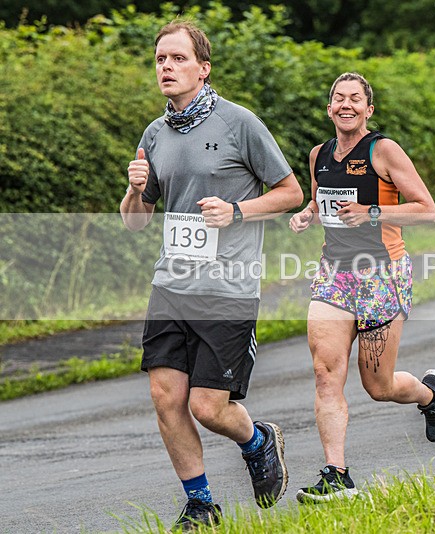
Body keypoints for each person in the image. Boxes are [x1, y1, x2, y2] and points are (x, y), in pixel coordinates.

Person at [119, 21, 303, 529]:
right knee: (165, 397)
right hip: (171, 285)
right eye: (160, 59)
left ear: (203, 68)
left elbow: (291, 193)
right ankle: (200, 503)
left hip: (228, 289)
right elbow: (135, 222)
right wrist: (134, 190)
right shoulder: (154, 134)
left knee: (207, 406)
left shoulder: (238, 123)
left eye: (178, 58)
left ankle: (258, 441)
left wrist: (237, 211)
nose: (167, 67)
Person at [289, 72, 435, 503]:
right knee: (326, 373)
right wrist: (307, 215)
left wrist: (372, 212)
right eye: (339, 98)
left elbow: (427, 209)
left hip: (382, 273)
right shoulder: (319, 154)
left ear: (368, 109)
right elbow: (321, 202)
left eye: (355, 98)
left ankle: (430, 394)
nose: (347, 105)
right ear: (329, 108)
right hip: (334, 274)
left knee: (378, 386)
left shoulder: (384, 151)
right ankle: (336, 475)